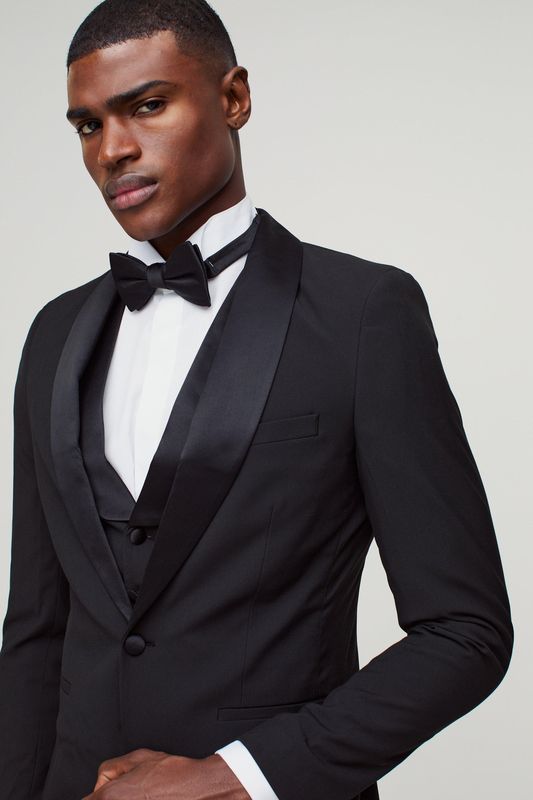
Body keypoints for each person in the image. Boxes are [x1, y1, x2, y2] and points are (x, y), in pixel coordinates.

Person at [0, 1, 514, 799]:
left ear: (233, 97)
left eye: (147, 105)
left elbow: (465, 633)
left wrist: (235, 776)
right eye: (87, 126)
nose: (113, 149)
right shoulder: (53, 334)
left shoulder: (362, 315)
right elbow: (36, 631)